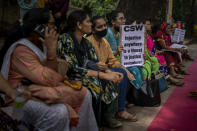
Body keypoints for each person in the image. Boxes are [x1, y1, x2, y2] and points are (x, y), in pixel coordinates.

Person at [0, 8, 98, 131]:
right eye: (52, 24)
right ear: (39, 28)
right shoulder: (21, 50)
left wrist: (52, 53)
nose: (55, 27)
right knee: (59, 112)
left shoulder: (42, 44)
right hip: (18, 99)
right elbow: (48, 79)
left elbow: (57, 72)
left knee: (85, 94)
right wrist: (52, 52)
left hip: (41, 89)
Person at [57, 10, 124, 128]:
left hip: (87, 74)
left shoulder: (85, 42)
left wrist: (110, 73)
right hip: (70, 77)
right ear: (79, 25)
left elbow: (96, 60)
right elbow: (72, 69)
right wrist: (102, 75)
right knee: (95, 84)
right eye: (88, 21)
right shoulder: (65, 39)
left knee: (113, 79)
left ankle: (108, 117)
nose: (91, 24)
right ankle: (94, 124)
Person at [87, 16, 137, 121]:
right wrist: (104, 69)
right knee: (119, 73)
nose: (104, 28)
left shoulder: (105, 42)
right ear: (93, 29)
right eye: (100, 27)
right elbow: (89, 63)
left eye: (105, 25)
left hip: (106, 69)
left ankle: (120, 109)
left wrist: (127, 72)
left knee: (124, 72)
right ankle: (117, 111)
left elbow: (112, 61)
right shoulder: (88, 41)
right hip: (95, 72)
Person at [105, 10, 144, 89]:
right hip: (111, 64)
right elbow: (105, 54)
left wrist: (138, 56)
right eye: (121, 19)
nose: (124, 21)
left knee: (140, 70)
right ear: (113, 21)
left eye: (124, 19)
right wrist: (116, 52)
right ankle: (139, 93)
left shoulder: (119, 34)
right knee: (134, 70)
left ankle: (137, 94)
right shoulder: (107, 33)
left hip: (121, 61)